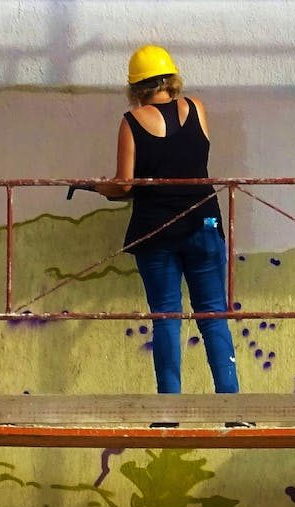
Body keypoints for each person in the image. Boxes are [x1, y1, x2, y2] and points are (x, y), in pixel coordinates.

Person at [98, 45, 240, 399]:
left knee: (165, 315)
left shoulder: (132, 121)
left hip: (156, 231)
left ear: (136, 87)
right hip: (203, 224)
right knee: (212, 313)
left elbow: (125, 185)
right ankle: (232, 406)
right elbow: (191, 160)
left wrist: (100, 187)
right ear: (171, 78)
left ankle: (169, 409)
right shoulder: (197, 109)